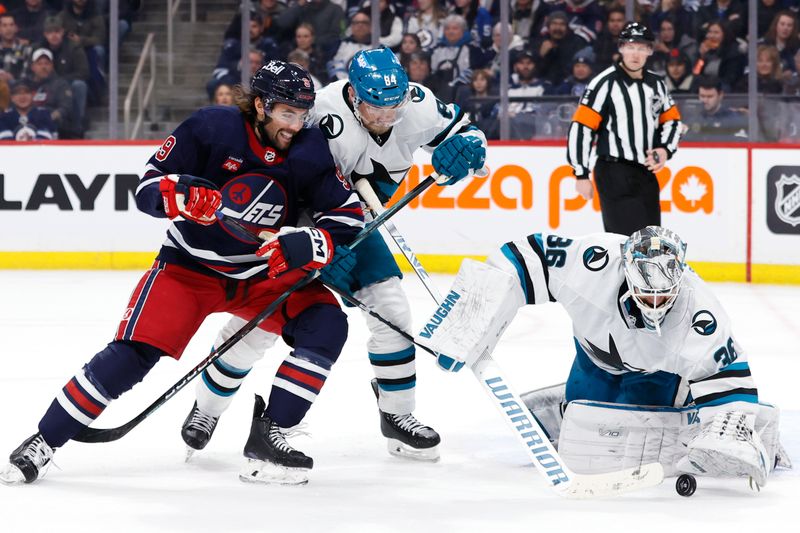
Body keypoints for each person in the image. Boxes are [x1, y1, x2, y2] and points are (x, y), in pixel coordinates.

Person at [0, 60, 365, 487]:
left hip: (263, 273)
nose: (296, 124)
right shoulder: (212, 127)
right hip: (190, 267)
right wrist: (178, 194)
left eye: (303, 115)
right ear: (262, 106)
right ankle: (45, 439)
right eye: (288, 113)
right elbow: (146, 187)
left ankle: (271, 435)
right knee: (131, 356)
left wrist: (312, 242)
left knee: (327, 324)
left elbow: (347, 218)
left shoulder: (310, 148)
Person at [180, 47, 487, 463]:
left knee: (393, 310)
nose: (385, 117)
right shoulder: (323, 117)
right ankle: (207, 409)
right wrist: (318, 243)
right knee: (259, 327)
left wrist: (469, 149)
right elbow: (291, 189)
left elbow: (469, 136)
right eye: (375, 108)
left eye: (392, 108)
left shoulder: (416, 102)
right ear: (354, 94)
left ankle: (397, 415)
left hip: (360, 226)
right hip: (298, 226)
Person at [420, 226, 785, 488]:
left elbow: (727, 375)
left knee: (623, 437)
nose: (655, 304)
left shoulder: (699, 311)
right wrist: (475, 312)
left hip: (656, 375)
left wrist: (728, 430)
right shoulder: (594, 262)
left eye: (664, 296)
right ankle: (567, 405)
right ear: (626, 271)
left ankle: (678, 412)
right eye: (647, 294)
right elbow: (523, 255)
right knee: (589, 422)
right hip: (593, 359)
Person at [566, 21, 682, 237]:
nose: (635, 53)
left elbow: (672, 121)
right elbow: (581, 128)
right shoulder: (604, 83)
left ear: (649, 51)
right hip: (613, 172)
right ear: (621, 48)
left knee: (651, 243)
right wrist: (580, 173)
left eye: (641, 47)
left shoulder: (657, 84)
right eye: (630, 46)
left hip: (646, 175)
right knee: (626, 242)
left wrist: (665, 149)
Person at [683, 75, 748, 141]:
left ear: (720, 95)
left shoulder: (734, 119)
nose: (705, 100)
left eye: (710, 96)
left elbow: (741, 146)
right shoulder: (693, 120)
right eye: (702, 96)